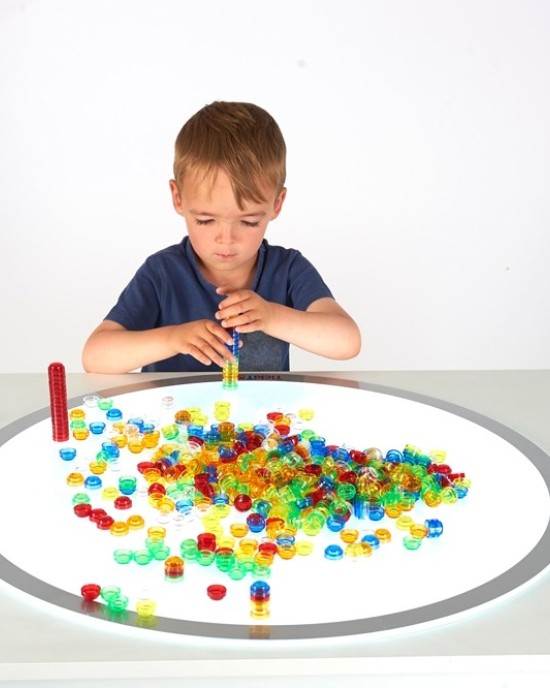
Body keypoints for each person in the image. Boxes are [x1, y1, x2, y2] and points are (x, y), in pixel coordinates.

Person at [82, 101, 361, 374]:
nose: (226, 239)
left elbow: (347, 342)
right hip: (175, 418)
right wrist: (173, 338)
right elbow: (96, 356)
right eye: (205, 220)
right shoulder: (163, 272)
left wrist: (272, 316)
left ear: (276, 204)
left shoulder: (288, 269)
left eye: (249, 221)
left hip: (259, 419)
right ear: (178, 198)